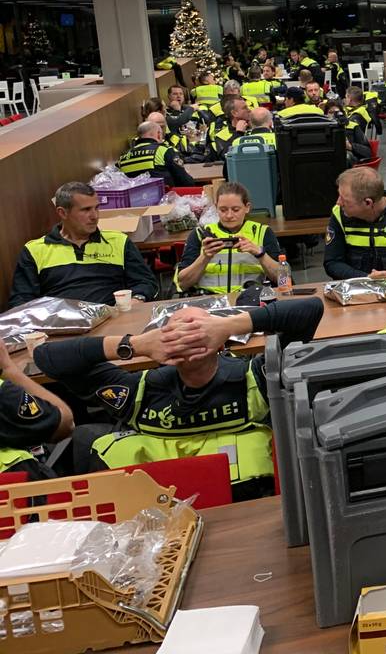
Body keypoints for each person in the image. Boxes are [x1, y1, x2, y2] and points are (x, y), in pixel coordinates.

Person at [35, 297, 324, 498]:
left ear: (219, 342)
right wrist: (134, 345)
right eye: (174, 332)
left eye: (199, 330)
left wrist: (230, 325)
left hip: (241, 504)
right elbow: (47, 358)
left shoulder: (254, 378)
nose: (187, 336)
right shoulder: (138, 391)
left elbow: (309, 311)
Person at [7, 182, 157, 309]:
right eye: (86, 210)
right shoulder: (35, 250)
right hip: (60, 326)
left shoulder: (119, 241)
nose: (95, 216)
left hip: (112, 319)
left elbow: (145, 282)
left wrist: (136, 299)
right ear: (62, 213)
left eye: (96, 208)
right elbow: (21, 301)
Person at [175, 182, 283, 296]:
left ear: (247, 207)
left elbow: (283, 279)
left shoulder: (262, 232)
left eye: (235, 210)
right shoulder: (200, 233)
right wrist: (204, 257)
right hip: (208, 300)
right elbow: (182, 284)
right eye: (223, 210)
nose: (229, 215)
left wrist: (260, 254)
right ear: (216, 207)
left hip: (251, 299)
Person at [0, 342, 75, 479]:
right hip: (17, 483)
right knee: (84, 437)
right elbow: (66, 424)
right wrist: (7, 367)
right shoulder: (5, 395)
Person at [118, 121, 198, 187]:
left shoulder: (123, 158)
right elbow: (185, 181)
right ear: (159, 134)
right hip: (166, 198)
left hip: (136, 200)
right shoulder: (164, 151)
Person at [324, 100, 373, 164]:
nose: (334, 115)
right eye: (330, 112)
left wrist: (350, 146)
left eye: (337, 113)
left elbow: (368, 152)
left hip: (349, 163)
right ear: (325, 115)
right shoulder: (322, 128)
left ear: (342, 113)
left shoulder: (352, 126)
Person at [209, 96, 251, 160]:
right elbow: (226, 155)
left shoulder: (255, 128)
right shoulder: (222, 136)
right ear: (234, 113)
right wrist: (238, 134)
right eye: (245, 108)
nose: (249, 110)